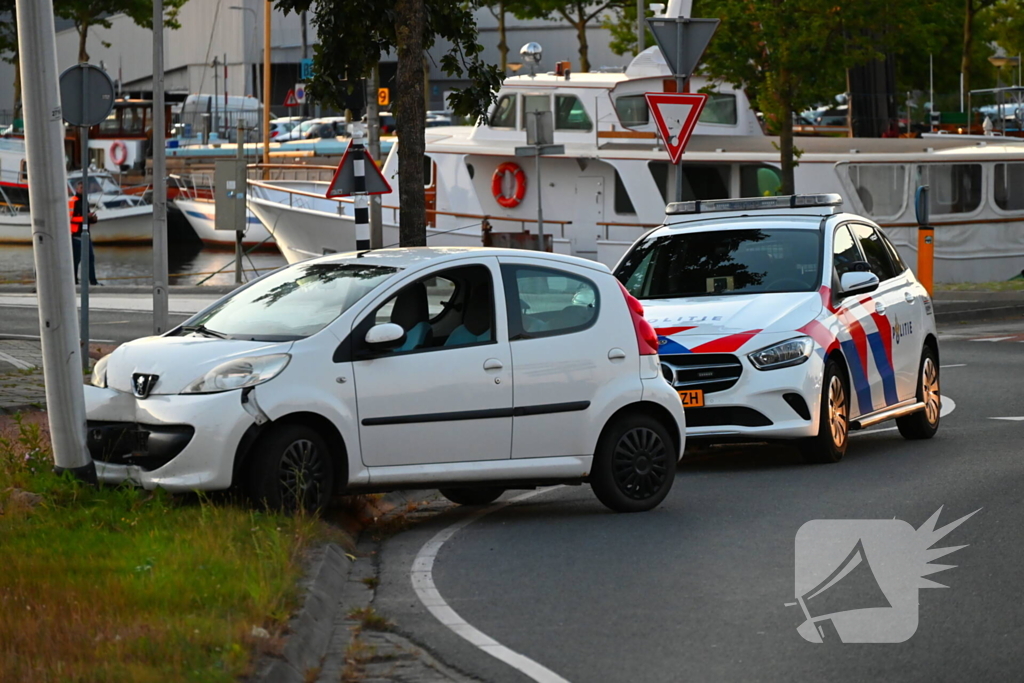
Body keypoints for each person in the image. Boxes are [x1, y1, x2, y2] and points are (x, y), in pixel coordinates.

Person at [70, 181, 99, 286]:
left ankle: (93, 281)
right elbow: (70, 218)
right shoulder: (73, 201)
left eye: (85, 188)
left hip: (86, 234)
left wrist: (92, 219)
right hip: (76, 235)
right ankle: (74, 281)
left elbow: (85, 218)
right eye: (81, 188)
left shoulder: (85, 202)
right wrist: (86, 217)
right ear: (77, 189)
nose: (83, 190)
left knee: (90, 258)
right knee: (75, 260)